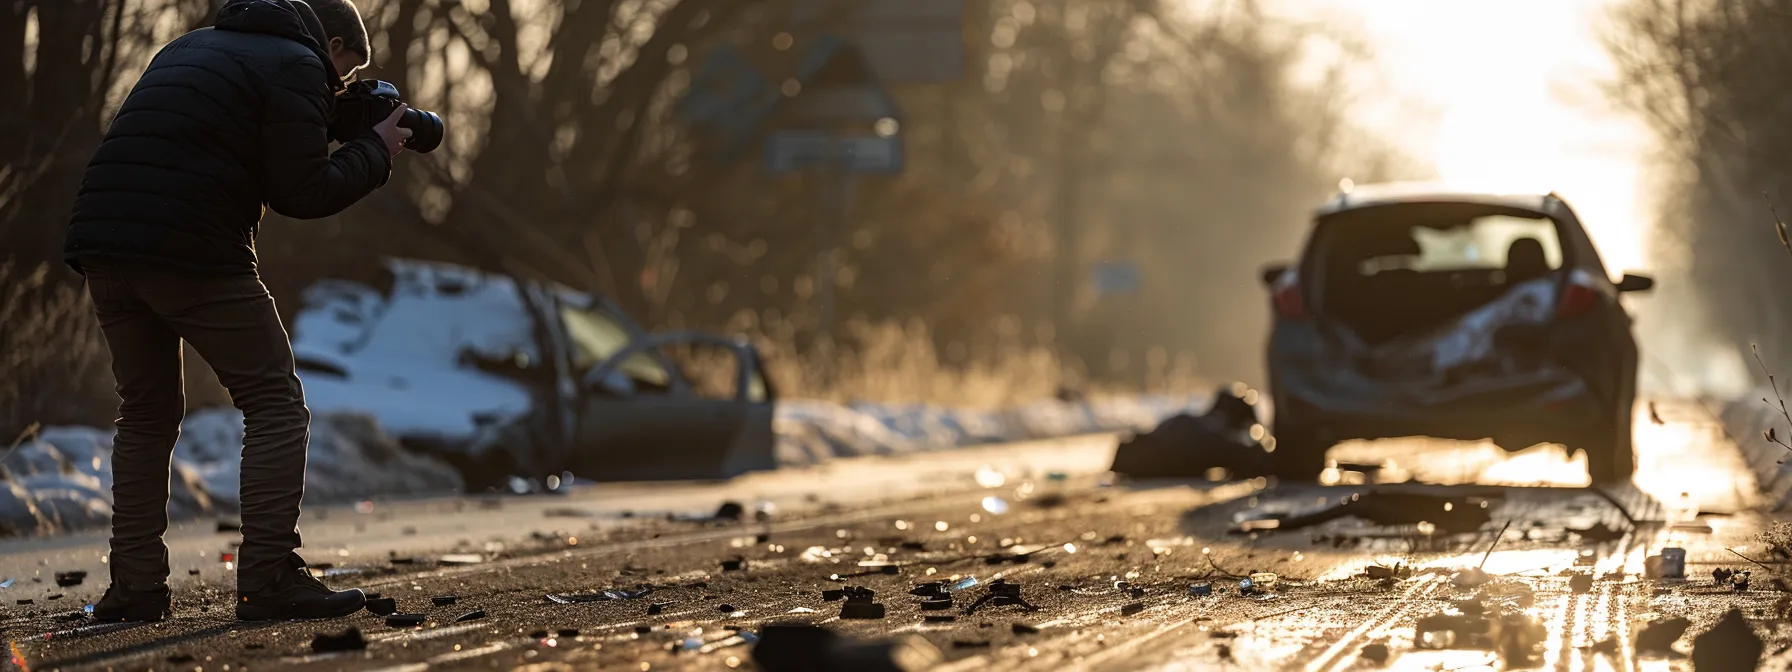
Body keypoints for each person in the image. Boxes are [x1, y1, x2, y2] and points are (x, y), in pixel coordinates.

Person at [64, 0, 410, 622]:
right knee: (275, 403)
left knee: (145, 415)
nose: (344, 86)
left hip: (102, 242)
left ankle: (135, 588)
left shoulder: (189, 47)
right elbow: (303, 191)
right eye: (348, 70)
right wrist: (378, 150)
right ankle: (270, 577)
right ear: (330, 43)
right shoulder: (298, 65)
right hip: (188, 248)